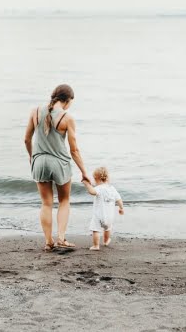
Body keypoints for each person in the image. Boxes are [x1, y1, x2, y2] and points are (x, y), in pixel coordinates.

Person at [24, 84, 90, 251]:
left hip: (39, 161)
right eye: (70, 103)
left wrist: (33, 158)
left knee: (46, 203)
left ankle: (48, 242)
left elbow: (26, 139)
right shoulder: (67, 118)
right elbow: (74, 150)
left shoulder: (36, 111)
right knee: (64, 201)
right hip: (59, 162)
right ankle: (61, 238)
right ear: (67, 101)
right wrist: (84, 172)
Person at [82, 166, 124, 251]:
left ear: (97, 179)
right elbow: (119, 200)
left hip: (99, 215)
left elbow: (92, 192)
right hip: (109, 216)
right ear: (107, 178)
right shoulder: (112, 189)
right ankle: (106, 241)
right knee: (107, 229)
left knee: (95, 230)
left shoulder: (99, 188)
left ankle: (96, 245)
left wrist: (87, 184)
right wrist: (121, 208)